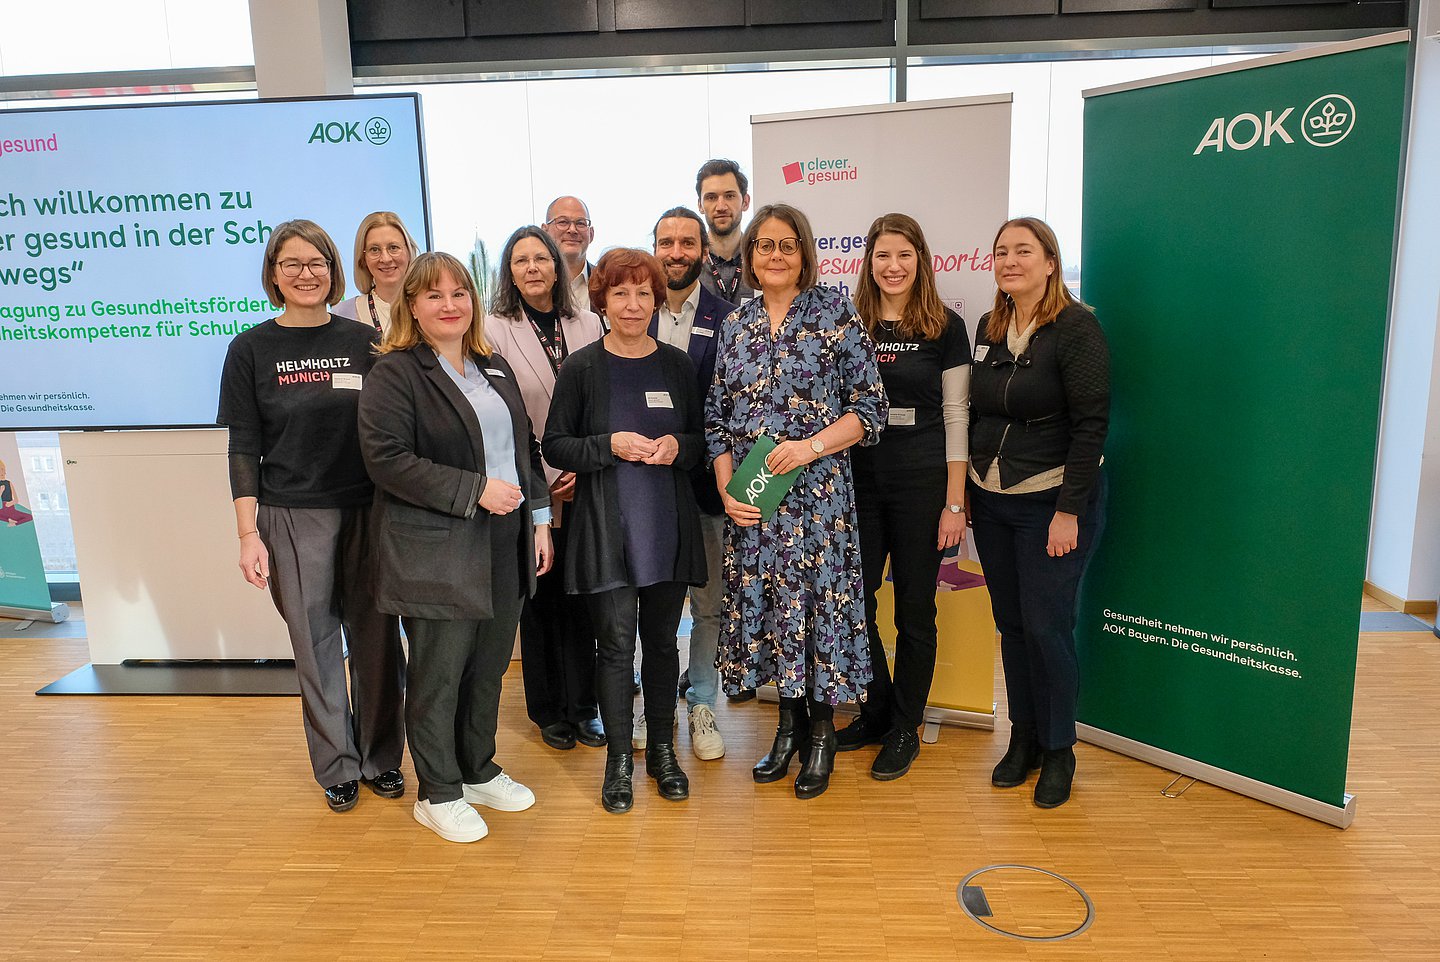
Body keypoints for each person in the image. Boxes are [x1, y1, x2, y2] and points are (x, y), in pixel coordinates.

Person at [358, 251, 553, 843]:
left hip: (504, 538)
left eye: (459, 294)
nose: (450, 305)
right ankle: (438, 789)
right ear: (412, 307)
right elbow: (387, 460)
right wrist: (474, 491)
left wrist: (540, 520)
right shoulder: (394, 374)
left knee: (489, 668)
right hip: (438, 546)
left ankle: (476, 767)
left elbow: (526, 449)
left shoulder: (492, 370)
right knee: (440, 673)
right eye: (435, 295)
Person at [217, 219, 405, 814]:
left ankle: (381, 759)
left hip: (369, 511)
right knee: (316, 644)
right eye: (292, 264)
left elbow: (391, 429)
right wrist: (248, 533)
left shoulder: (363, 339)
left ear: (333, 270)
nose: (306, 274)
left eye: (317, 263)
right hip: (292, 516)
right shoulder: (249, 349)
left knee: (377, 642)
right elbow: (243, 445)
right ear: (273, 274)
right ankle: (337, 766)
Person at [705, 203, 888, 800]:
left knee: (817, 612)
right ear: (751, 257)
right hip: (756, 505)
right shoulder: (737, 323)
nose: (775, 256)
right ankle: (784, 728)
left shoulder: (833, 311)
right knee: (774, 614)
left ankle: (819, 736)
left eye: (787, 246)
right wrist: (728, 489)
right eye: (764, 246)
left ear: (805, 252)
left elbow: (870, 410)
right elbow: (715, 419)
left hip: (819, 501)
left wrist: (809, 447)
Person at [544, 248, 708, 814]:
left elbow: (702, 442)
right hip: (607, 529)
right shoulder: (582, 367)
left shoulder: (677, 366)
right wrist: (607, 445)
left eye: (643, 293)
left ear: (657, 298)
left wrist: (678, 447)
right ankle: (619, 759)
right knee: (614, 646)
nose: (633, 305)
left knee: (663, 643)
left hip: (667, 524)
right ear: (602, 300)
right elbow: (555, 444)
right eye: (620, 294)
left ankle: (663, 749)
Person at [967, 216, 1109, 810]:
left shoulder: (1075, 327)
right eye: (1001, 251)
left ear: (1050, 262)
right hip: (993, 500)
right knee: (1013, 626)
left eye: (1024, 251)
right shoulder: (990, 326)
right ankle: (1021, 740)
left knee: (1049, 630)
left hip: (1052, 502)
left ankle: (1059, 750)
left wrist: (1069, 511)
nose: (1010, 261)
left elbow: (1092, 425)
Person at [838, 213, 973, 780]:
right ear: (868, 263)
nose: (893, 267)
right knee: (856, 603)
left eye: (904, 256)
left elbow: (957, 416)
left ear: (921, 261)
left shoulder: (945, 325)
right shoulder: (850, 322)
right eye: (882, 256)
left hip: (923, 485)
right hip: (858, 485)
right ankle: (876, 709)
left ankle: (905, 726)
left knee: (916, 611)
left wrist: (954, 503)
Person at [483, 226, 607, 752]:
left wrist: (583, 463)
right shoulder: (491, 329)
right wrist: (546, 481)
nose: (532, 268)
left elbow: (602, 399)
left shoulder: (589, 323)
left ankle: (584, 708)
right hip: (530, 483)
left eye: (541, 258)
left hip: (588, 482)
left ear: (558, 266)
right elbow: (500, 418)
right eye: (520, 261)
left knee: (585, 601)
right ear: (509, 273)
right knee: (541, 601)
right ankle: (549, 711)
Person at [650, 206, 737, 761]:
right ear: (654, 249)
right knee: (652, 604)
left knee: (708, 603)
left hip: (708, 485)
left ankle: (702, 698)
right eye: (666, 242)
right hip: (647, 489)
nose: (676, 252)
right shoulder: (629, 314)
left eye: (687, 243)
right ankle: (651, 703)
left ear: (704, 253)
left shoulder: (731, 318)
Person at [332, 211, 420, 334]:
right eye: (374, 249)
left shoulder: (431, 306)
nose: (386, 259)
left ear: (409, 251)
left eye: (393, 247)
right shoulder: (343, 314)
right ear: (363, 259)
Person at [696, 159, 754, 305]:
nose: (721, 206)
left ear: (745, 202)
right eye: (711, 197)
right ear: (700, 205)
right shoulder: (690, 263)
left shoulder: (761, 259)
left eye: (729, 196)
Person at [543, 196, 596, 316]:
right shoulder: (534, 283)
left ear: (591, 234)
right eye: (563, 222)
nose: (572, 230)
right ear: (544, 231)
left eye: (580, 223)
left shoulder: (607, 283)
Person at [0, 459, 35, 526]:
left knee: (30, 516)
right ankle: (9, 520)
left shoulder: (9, 483)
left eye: (2, 469)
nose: (1, 472)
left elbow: (16, 500)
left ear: (4, 470)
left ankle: (14, 523)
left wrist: (10, 503)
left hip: (11, 508)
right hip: (3, 509)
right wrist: (1, 491)